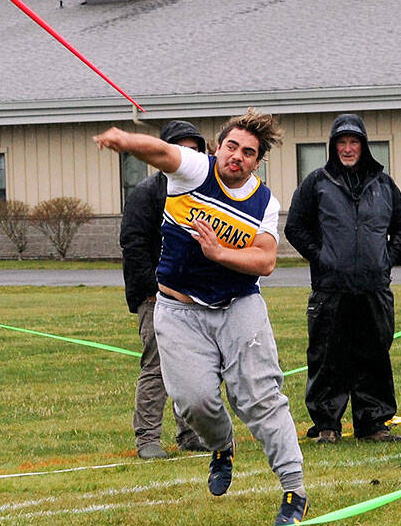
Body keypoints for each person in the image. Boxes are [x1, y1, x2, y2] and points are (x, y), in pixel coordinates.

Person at [95, 109, 308, 526]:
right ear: (218, 147)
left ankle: (294, 489)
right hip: (177, 309)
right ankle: (222, 444)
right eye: (232, 147)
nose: (237, 157)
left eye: (248, 153)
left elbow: (265, 260)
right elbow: (159, 151)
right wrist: (124, 139)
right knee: (194, 401)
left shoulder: (264, 202)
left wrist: (220, 254)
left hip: (238, 306)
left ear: (257, 161)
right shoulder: (194, 171)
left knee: (261, 398)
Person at [283, 114, 401, 444]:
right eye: (341, 142)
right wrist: (321, 255)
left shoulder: (384, 185)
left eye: (353, 142)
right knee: (328, 357)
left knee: (374, 355)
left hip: (373, 288)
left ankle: (373, 423)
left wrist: (387, 259)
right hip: (331, 289)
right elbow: (295, 227)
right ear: (332, 147)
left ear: (364, 145)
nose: (347, 148)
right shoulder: (317, 182)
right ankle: (327, 424)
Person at [119, 120, 208, 459]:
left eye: (193, 149)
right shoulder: (146, 194)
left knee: (192, 368)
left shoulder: (203, 193)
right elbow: (134, 244)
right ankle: (148, 439)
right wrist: (152, 289)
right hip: (154, 296)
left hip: (194, 295)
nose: (187, 155)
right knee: (157, 366)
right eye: (179, 148)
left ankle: (190, 433)